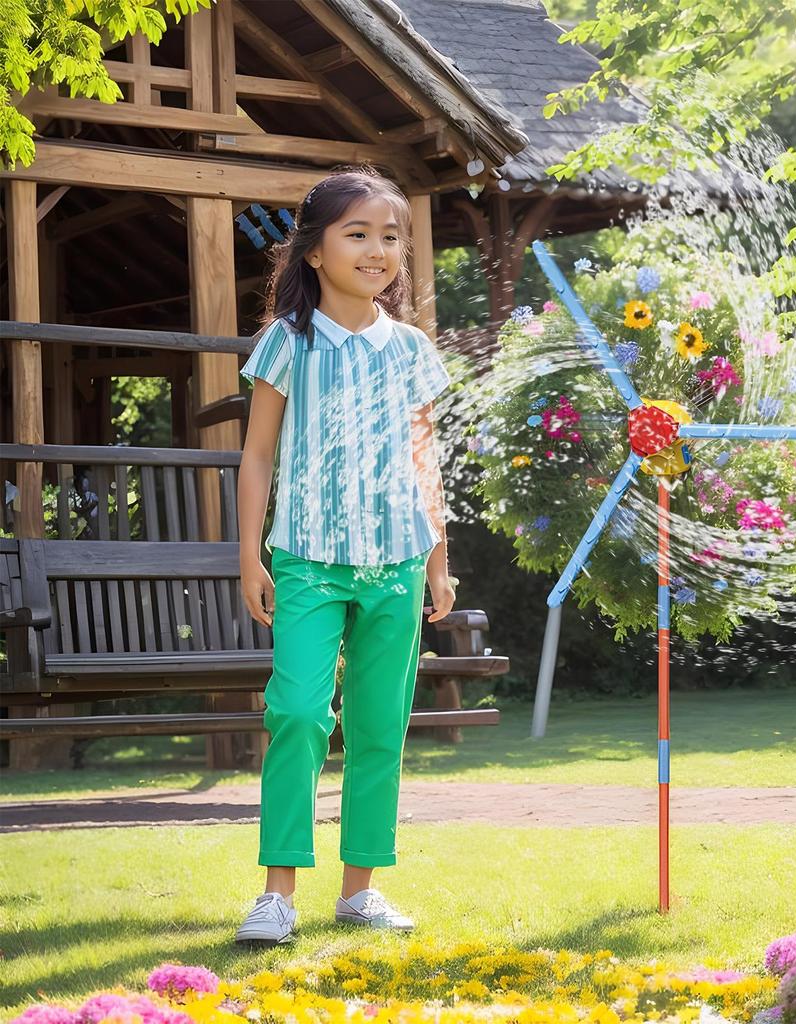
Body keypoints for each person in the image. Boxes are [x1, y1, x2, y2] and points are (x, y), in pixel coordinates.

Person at [233, 166, 456, 945]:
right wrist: (248, 557)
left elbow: (425, 459)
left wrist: (437, 560)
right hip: (304, 561)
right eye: (357, 234)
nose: (378, 249)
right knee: (295, 711)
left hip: (396, 563)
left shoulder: (413, 350)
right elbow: (257, 456)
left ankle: (361, 890)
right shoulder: (285, 345)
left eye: (390, 236)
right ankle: (277, 895)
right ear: (315, 252)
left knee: (378, 727)